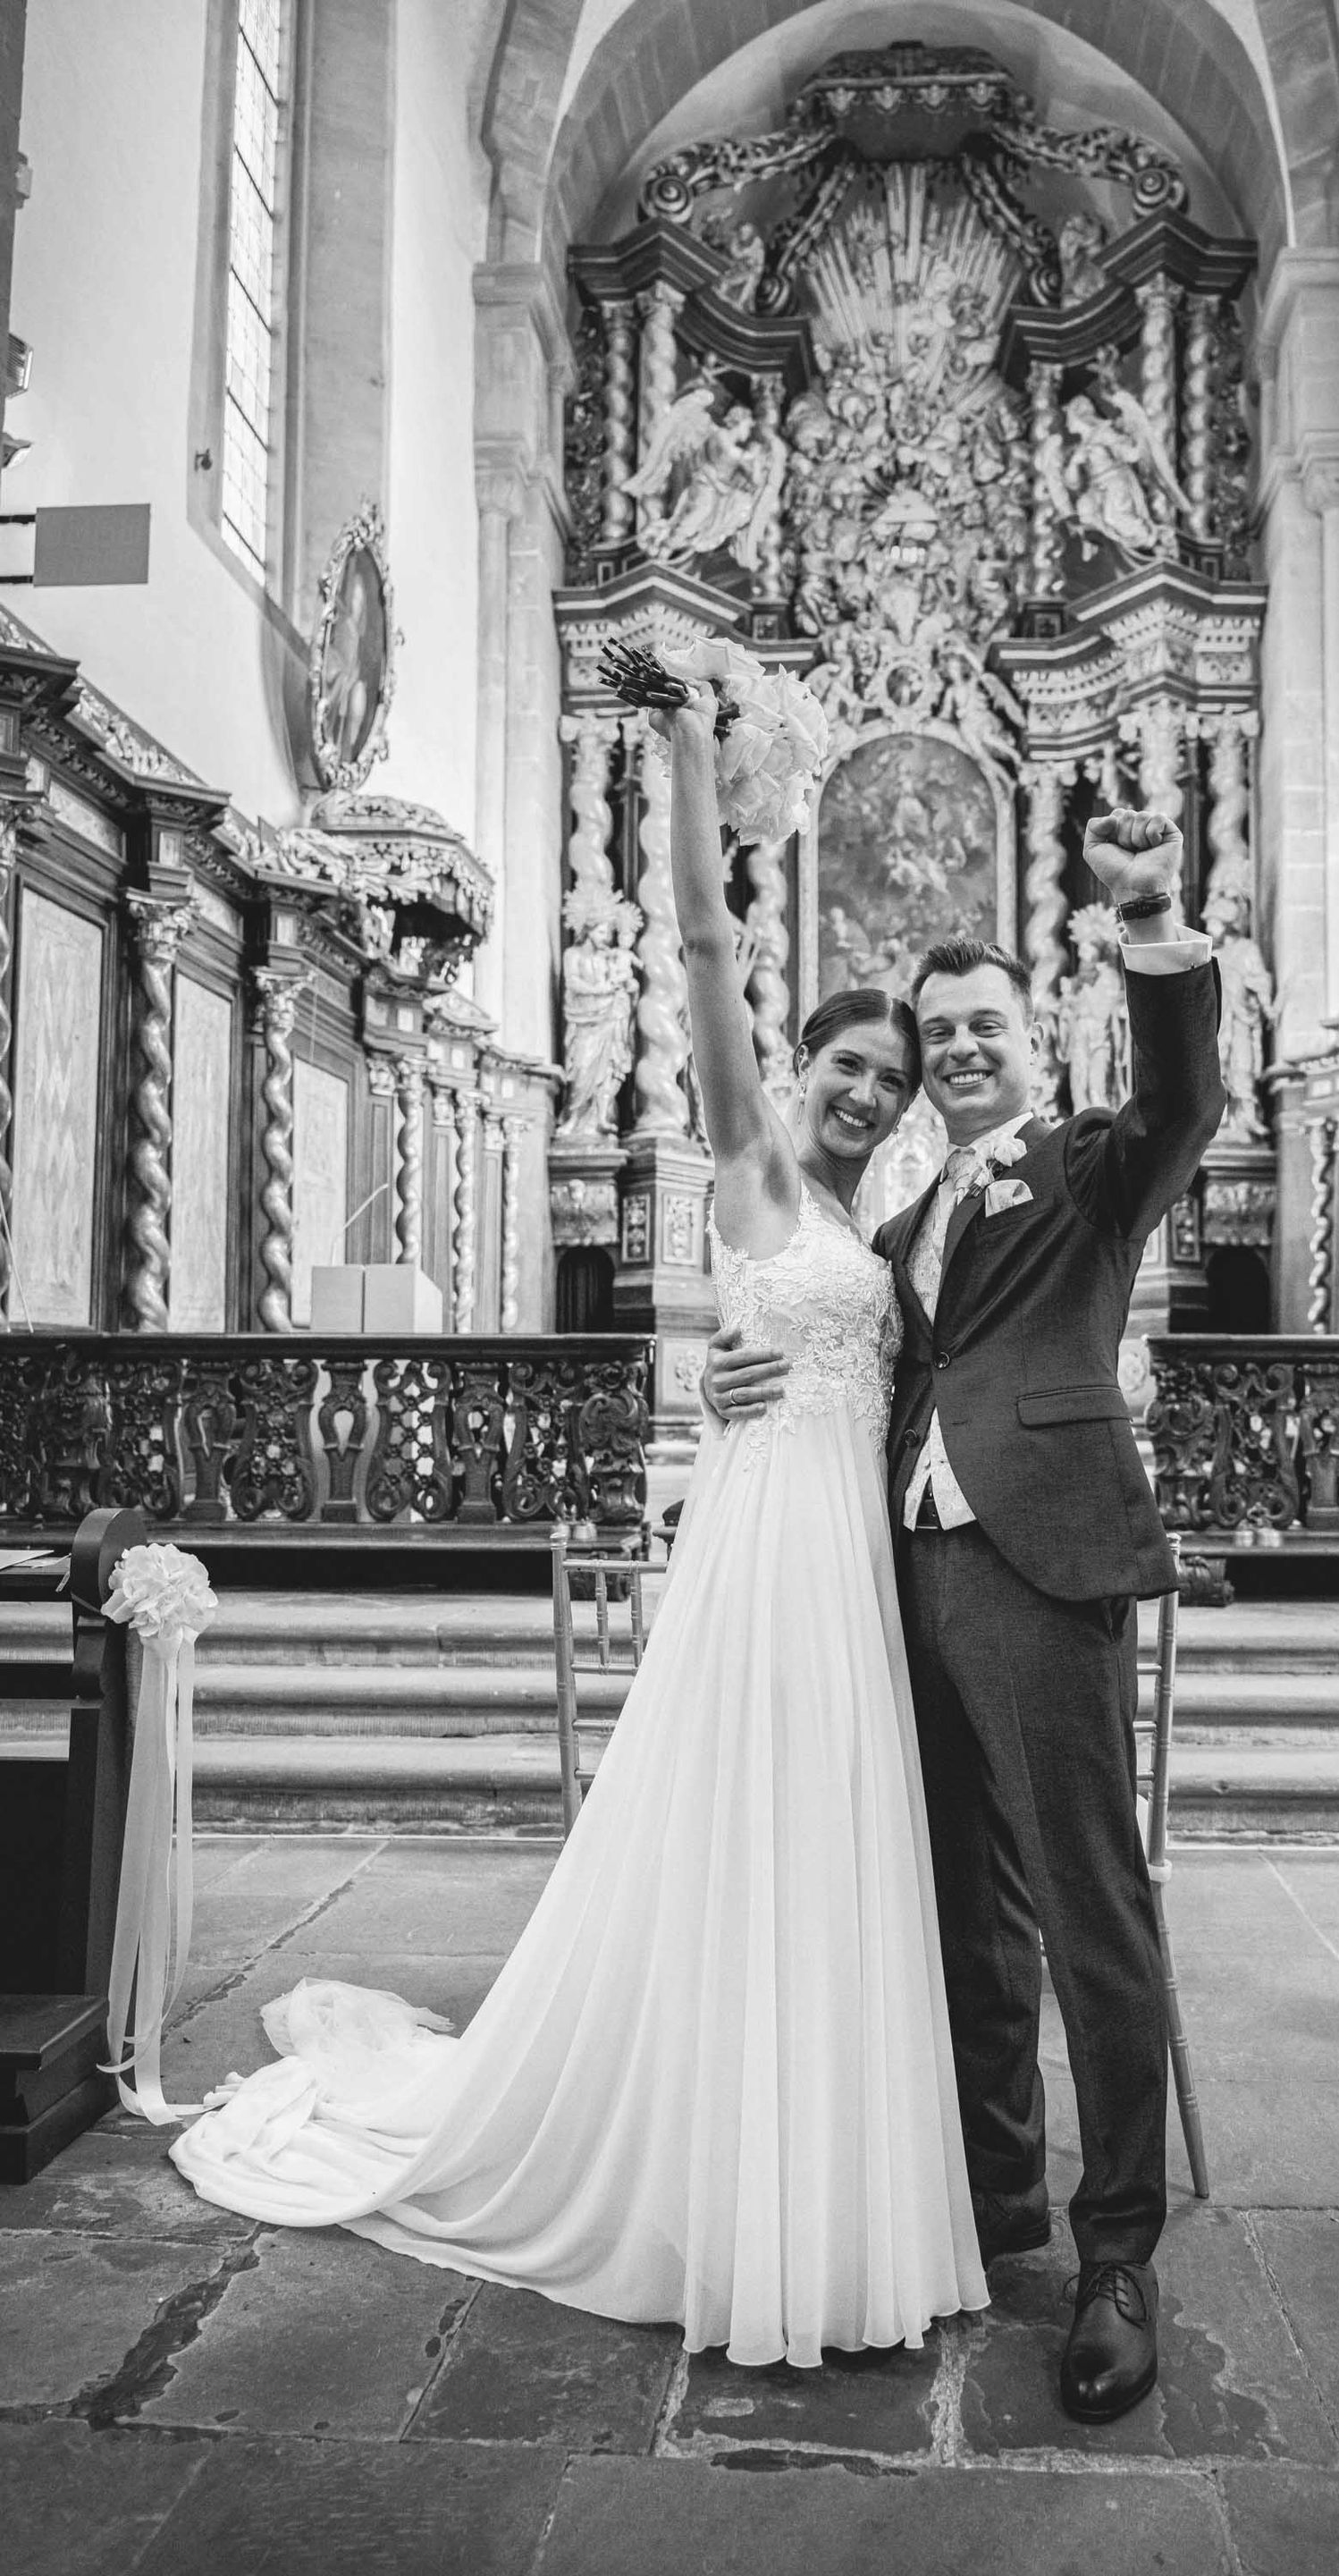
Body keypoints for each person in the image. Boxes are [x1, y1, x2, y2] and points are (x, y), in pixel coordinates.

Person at [167, 688, 987, 2370]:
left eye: (889, 1079)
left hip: (851, 1556)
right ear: (799, 1066)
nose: (865, 1091)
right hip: (770, 1562)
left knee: (833, 1849)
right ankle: (727, 2178)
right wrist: (685, 758)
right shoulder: (757, 1172)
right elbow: (704, 941)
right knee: (754, 1834)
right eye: (848, 1064)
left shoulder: (878, 1221)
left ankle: (811, 2171)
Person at [705, 815, 1224, 2421]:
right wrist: (725, 1375)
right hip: (899, 1579)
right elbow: (841, 1359)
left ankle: (1117, 2254)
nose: (961, 1050)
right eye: (941, 1036)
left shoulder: (1090, 1164)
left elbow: (1185, 1097)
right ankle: (997, 2203)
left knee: (1087, 1912)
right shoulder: (902, 1218)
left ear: (1032, 1033)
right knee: (964, 1919)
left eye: (985, 1024)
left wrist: (1151, 917)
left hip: (1040, 1562)